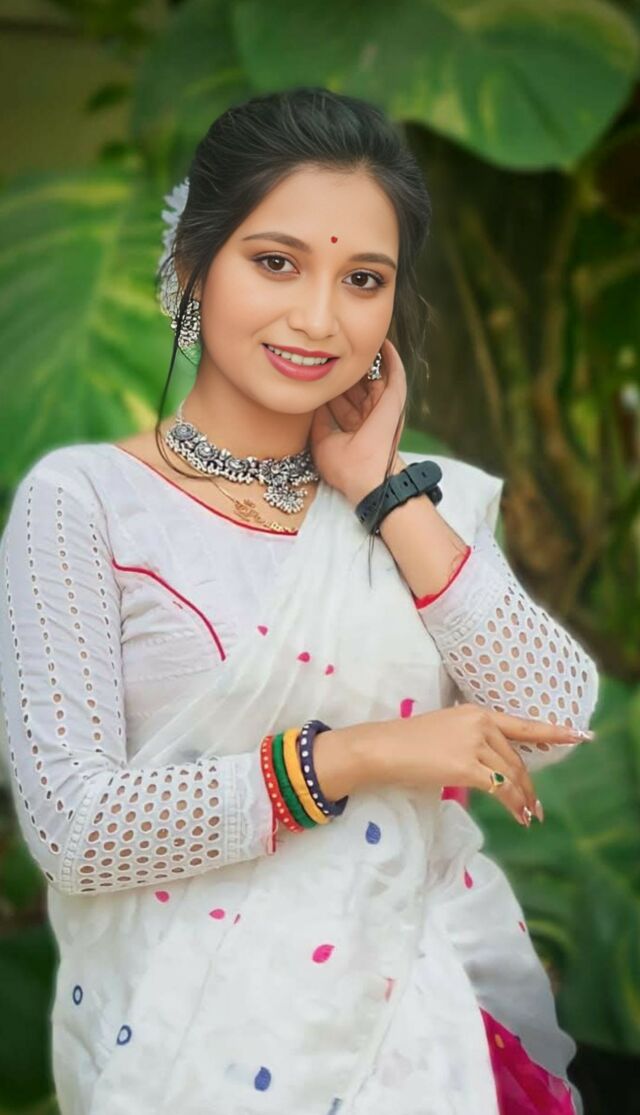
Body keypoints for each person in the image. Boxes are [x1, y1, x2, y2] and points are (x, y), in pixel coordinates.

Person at [0, 87, 598, 1115]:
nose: (320, 319)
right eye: (276, 262)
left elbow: (554, 715)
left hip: (425, 1047)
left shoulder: (422, 503)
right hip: (188, 1055)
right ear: (192, 263)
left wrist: (381, 490)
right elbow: (77, 829)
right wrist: (360, 756)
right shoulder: (87, 503)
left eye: (363, 279)